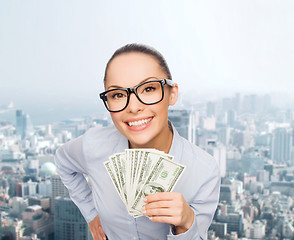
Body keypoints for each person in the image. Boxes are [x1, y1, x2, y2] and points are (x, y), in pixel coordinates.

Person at [55, 43, 221, 240]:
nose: (133, 107)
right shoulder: (93, 145)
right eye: (117, 94)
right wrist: (91, 213)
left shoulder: (204, 171)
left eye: (148, 89)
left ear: (172, 94)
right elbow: (63, 161)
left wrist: (186, 223)